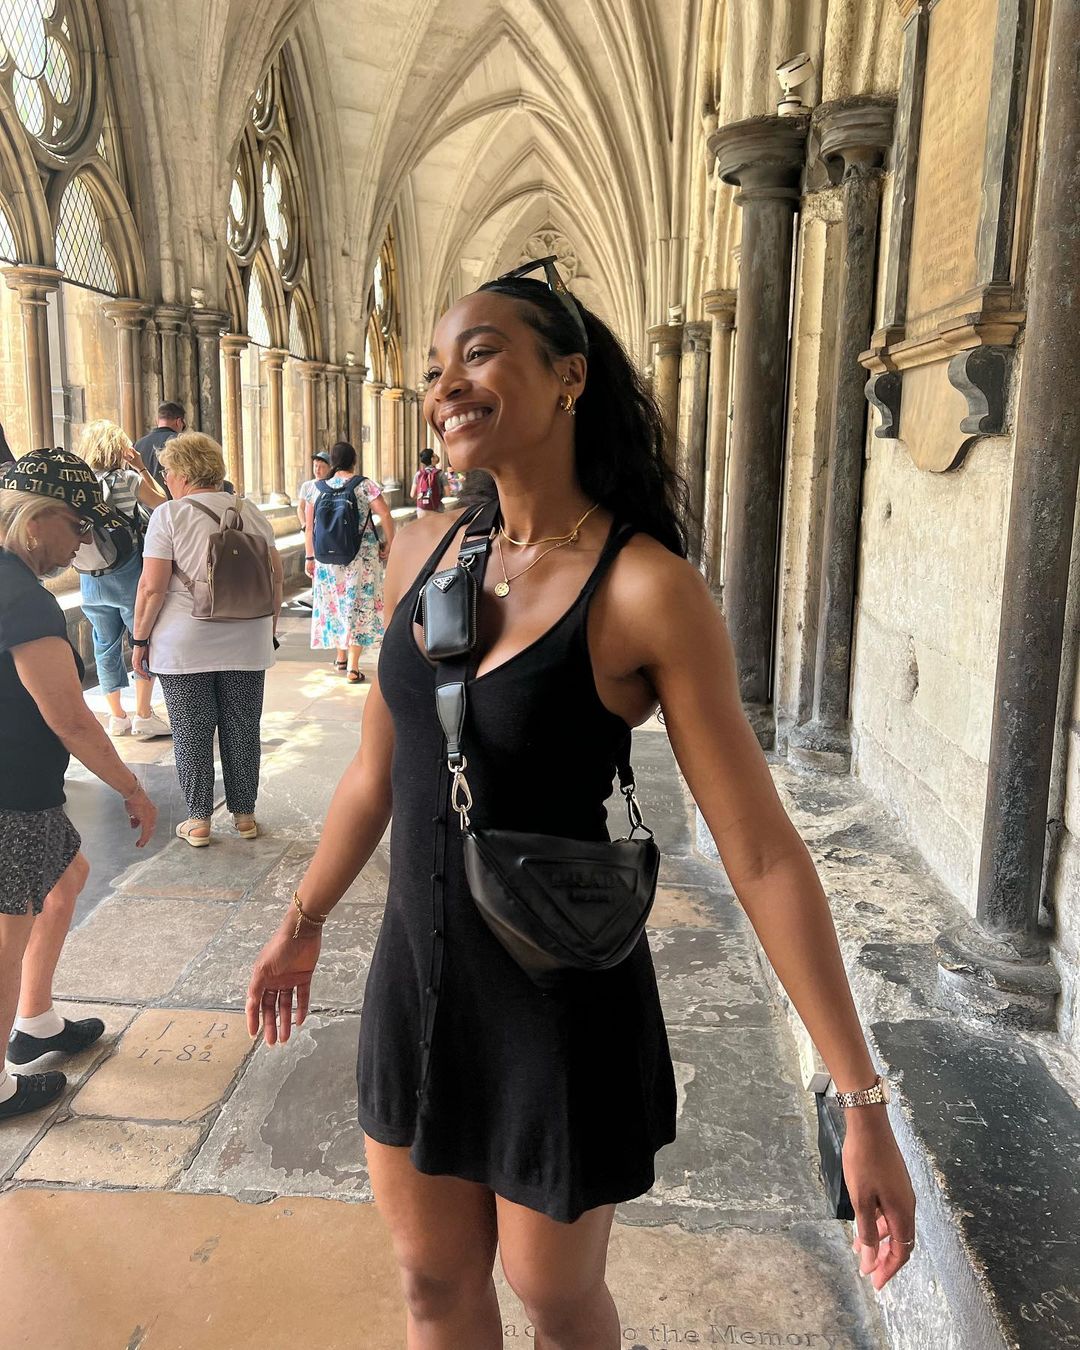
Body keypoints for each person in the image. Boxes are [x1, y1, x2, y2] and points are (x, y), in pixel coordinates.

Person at [245, 263, 916, 1349]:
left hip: (554, 999)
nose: (445, 386)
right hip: (418, 981)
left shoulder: (645, 588)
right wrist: (303, 919)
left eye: (479, 353)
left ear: (568, 377)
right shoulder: (422, 550)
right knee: (431, 1284)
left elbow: (760, 855)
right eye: (434, 367)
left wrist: (860, 1099)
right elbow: (375, 771)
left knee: (553, 1297)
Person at [0, 449, 157, 1121]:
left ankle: (35, 1021)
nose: (83, 544)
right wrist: (132, 788)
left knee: (66, 878)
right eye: (78, 526)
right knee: (10, 929)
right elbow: (69, 718)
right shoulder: (22, 598)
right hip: (12, 792)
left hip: (22, 786)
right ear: (36, 520)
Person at [132, 433, 283, 847]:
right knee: (243, 728)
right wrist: (266, 630)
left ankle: (199, 820)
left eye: (166, 471)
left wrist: (140, 639)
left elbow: (151, 588)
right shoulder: (251, 512)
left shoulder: (169, 515)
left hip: (185, 643)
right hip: (248, 639)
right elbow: (275, 580)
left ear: (183, 473)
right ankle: (245, 816)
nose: (165, 478)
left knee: (191, 730)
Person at [77, 420, 171, 739]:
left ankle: (117, 716)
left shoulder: (81, 484)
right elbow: (162, 504)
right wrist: (142, 467)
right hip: (127, 574)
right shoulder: (127, 479)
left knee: (104, 644)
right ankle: (143, 714)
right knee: (142, 640)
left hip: (90, 577)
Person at [305, 440, 394, 683]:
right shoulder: (364, 485)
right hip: (361, 556)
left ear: (332, 462)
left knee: (335, 603)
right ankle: (353, 667)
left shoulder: (316, 488)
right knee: (358, 605)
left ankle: (341, 657)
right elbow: (385, 514)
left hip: (327, 559)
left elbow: (309, 527)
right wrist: (390, 542)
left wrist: (309, 556)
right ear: (354, 460)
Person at [133, 400, 186, 489]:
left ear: (157, 421)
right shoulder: (181, 442)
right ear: (179, 421)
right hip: (173, 496)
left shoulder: (138, 445)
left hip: (145, 497)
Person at [296, 449, 332, 529]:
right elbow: (300, 508)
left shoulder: (332, 486)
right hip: (308, 528)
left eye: (322, 467)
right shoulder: (306, 486)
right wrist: (304, 523)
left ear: (329, 468)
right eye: (316, 466)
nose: (317, 469)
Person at [409, 447, 443, 515]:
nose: (437, 456)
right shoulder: (440, 474)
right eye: (434, 455)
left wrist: (423, 498)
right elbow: (448, 493)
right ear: (432, 459)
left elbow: (412, 495)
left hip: (421, 510)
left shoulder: (418, 474)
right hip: (436, 508)